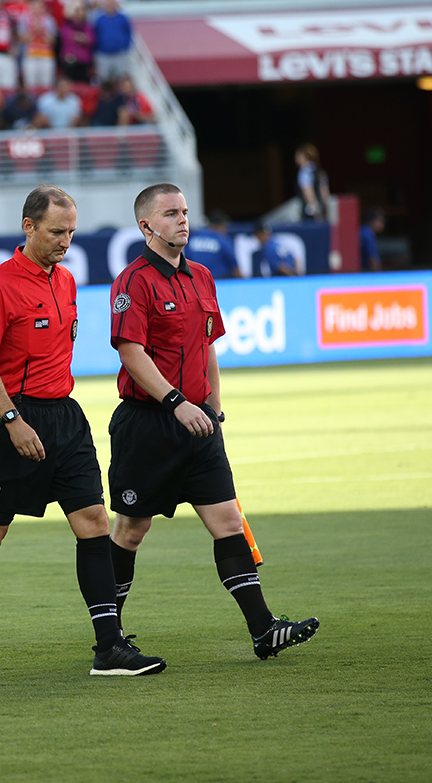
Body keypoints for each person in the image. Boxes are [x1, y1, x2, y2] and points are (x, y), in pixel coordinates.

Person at [0, 185, 166, 678]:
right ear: (28, 228)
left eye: (71, 231)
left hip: (64, 418)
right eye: (56, 231)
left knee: (93, 520)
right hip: (14, 418)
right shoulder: (1, 283)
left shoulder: (66, 280)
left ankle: (109, 645)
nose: (65, 240)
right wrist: (13, 421)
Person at [107, 183, 319, 662]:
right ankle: (110, 637)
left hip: (200, 424)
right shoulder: (133, 281)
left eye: (184, 212)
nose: (183, 220)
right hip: (148, 424)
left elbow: (208, 345)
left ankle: (264, 630)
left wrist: (213, 406)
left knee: (227, 520)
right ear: (146, 226)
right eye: (170, 214)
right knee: (130, 530)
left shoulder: (202, 276)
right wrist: (177, 401)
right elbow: (130, 352)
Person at [185, 210, 242, 279]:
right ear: (221, 225)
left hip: (195, 281)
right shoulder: (222, 240)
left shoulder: (193, 237)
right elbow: (235, 269)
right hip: (218, 282)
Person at [295, 143, 329, 221]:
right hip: (321, 210)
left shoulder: (304, 171)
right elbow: (325, 193)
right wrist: (324, 211)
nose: (296, 158)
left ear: (304, 156)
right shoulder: (319, 171)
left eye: (297, 155)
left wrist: (314, 209)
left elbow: (308, 191)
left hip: (310, 212)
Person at [359, 207, 384, 272]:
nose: (382, 224)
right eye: (380, 221)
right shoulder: (367, 233)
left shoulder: (365, 231)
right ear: (373, 220)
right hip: (363, 273)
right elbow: (373, 260)